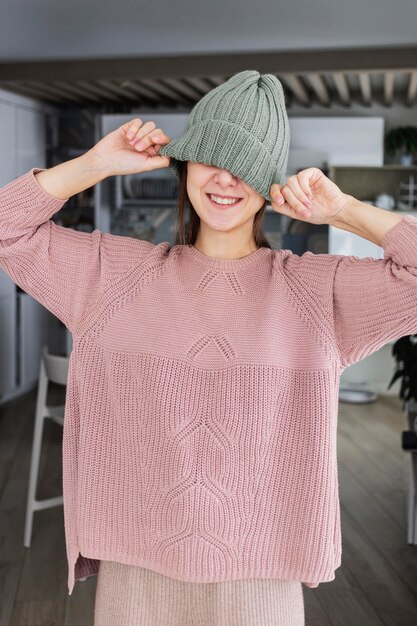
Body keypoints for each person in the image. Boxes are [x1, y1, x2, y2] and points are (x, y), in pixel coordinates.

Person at [0, 69, 416, 626]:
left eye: (247, 165)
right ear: (186, 163)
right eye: (211, 157)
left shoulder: (315, 291)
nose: (225, 179)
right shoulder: (117, 277)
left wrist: (342, 211)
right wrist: (94, 165)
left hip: (260, 579)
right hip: (137, 571)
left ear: (270, 182)